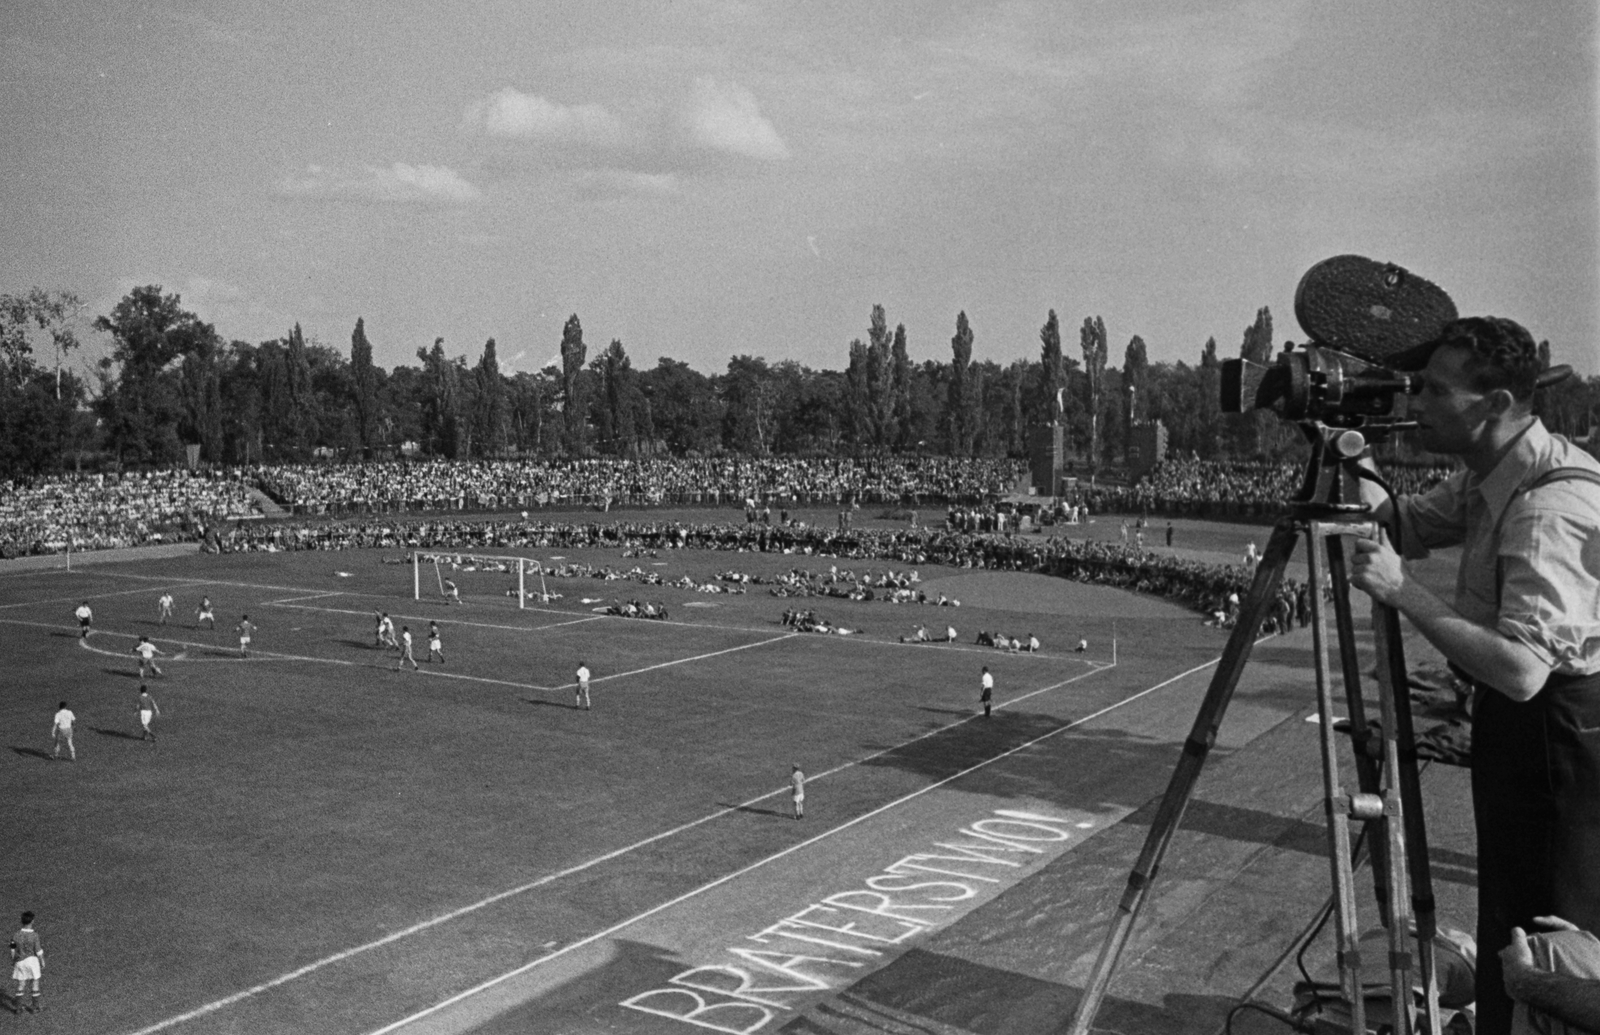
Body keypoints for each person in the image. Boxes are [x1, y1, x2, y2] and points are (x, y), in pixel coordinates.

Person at [1347, 316, 1600, 1035]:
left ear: (1493, 407)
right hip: (1524, 734)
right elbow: (1399, 520)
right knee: (1506, 929)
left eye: (1434, 389)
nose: (1417, 402)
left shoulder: (1548, 507)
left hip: (1559, 744)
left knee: (1547, 950)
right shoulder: (1493, 474)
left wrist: (1404, 593)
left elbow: (1522, 671)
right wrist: (1349, 445)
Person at [9, 911, 42, 1013]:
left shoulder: (15, 935)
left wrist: (14, 960)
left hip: (20, 962)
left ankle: (18, 1008)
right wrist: (42, 961)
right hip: (32, 961)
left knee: (21, 984)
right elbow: (38, 951)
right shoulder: (34, 935)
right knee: (35, 983)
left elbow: (12, 949)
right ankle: (34, 1007)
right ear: (32, 921)